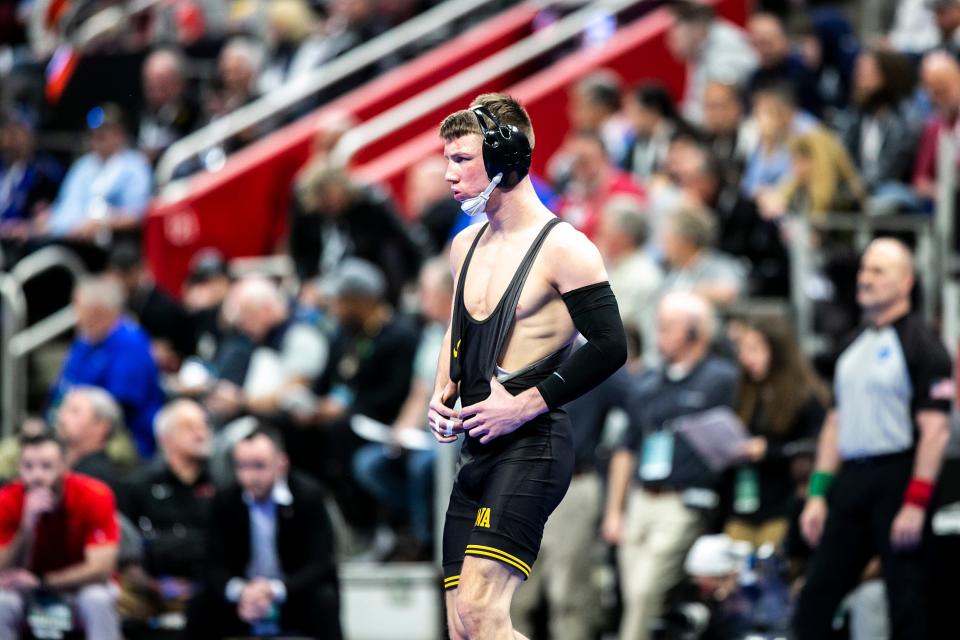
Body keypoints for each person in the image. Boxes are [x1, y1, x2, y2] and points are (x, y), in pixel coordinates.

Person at [431, 93, 627, 640]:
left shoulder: (565, 248)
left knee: (481, 612)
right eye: (446, 159)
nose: (449, 174)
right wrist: (441, 388)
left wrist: (522, 406)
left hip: (533, 442)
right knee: (462, 627)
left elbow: (612, 346)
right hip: (477, 447)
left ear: (508, 159)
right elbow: (458, 329)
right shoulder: (464, 245)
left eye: (462, 159)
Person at [793, 238, 954, 639]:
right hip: (852, 478)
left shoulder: (925, 346)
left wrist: (916, 502)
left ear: (906, 282)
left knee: (907, 599)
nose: (865, 279)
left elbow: (935, 430)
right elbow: (835, 422)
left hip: (899, 477)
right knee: (816, 595)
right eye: (864, 270)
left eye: (878, 271)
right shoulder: (850, 346)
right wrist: (817, 492)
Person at [602, 292, 738, 640]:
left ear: (695, 332)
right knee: (634, 596)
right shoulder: (647, 382)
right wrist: (615, 511)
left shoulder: (721, 380)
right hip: (641, 500)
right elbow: (626, 448)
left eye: (669, 326)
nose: (659, 334)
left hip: (684, 501)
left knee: (646, 592)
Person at [352, 257, 452, 559]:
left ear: (446, 294)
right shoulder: (431, 335)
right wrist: (401, 430)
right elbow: (419, 392)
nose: (420, 298)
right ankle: (417, 523)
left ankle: (425, 542)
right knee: (370, 464)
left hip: (456, 431)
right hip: (426, 432)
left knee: (424, 466)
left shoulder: (469, 329)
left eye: (425, 290)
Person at [201, 426, 341, 639]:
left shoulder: (308, 495)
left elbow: (321, 562)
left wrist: (273, 590)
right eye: (242, 466)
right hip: (243, 597)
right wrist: (242, 592)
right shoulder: (225, 500)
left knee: (324, 598)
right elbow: (212, 562)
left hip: (293, 594)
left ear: (281, 464)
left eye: (259, 466)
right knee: (201, 602)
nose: (250, 476)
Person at [0, 433, 121, 639]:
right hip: (26, 591)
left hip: (78, 588)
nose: (37, 476)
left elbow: (101, 569)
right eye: (28, 467)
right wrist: (27, 526)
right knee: (3, 602)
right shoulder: (8, 499)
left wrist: (42, 581)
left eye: (46, 467)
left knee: (97, 599)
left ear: (65, 466)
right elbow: (2, 569)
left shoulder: (95, 494)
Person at [725, 315, 829, 547]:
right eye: (742, 349)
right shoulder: (746, 391)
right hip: (745, 502)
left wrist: (768, 450)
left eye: (754, 349)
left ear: (777, 350)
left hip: (784, 505)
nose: (745, 357)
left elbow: (816, 448)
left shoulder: (805, 395)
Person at [120, 400, 215, 623]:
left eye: (204, 425)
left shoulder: (223, 484)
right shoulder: (138, 484)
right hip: (149, 587)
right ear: (165, 439)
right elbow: (124, 547)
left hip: (210, 588)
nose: (200, 433)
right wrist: (154, 585)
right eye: (189, 427)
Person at [51, 276, 165, 458]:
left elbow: (118, 408)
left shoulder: (131, 344)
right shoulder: (85, 340)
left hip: (122, 441)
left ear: (97, 311)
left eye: (77, 307)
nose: (75, 316)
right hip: (72, 430)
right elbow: (61, 387)